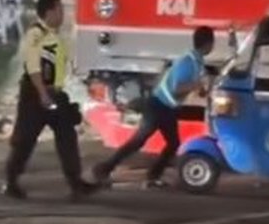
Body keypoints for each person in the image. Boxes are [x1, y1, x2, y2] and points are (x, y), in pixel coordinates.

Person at [93, 25, 217, 189]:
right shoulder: (187, 62)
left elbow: (193, 87)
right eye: (212, 43)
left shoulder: (197, 62)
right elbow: (177, 88)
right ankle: (104, 168)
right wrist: (196, 85)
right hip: (158, 106)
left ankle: (152, 176)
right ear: (208, 44)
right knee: (139, 141)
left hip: (168, 108)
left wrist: (202, 88)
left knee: (172, 143)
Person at [4, 0, 92, 200]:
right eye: (60, 10)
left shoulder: (56, 36)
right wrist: (42, 93)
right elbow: (33, 67)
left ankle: (76, 184)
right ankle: (11, 182)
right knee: (25, 140)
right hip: (35, 94)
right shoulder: (36, 34)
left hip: (55, 93)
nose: (63, 14)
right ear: (50, 12)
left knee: (67, 137)